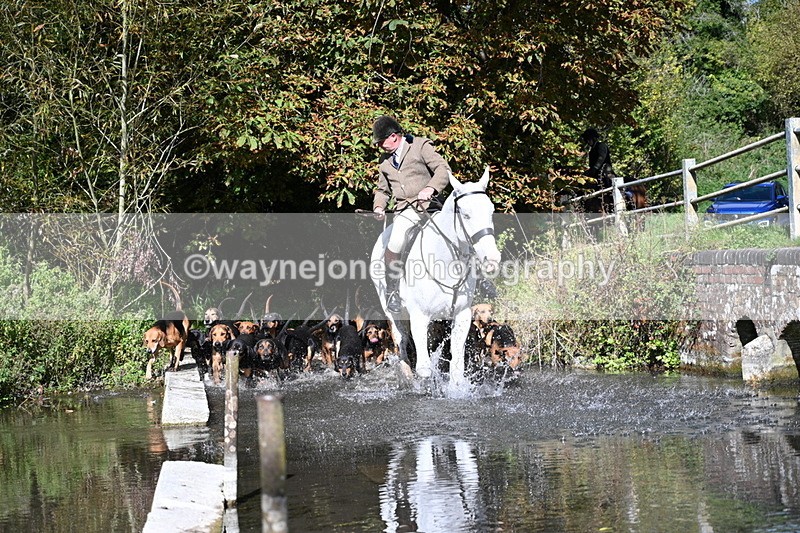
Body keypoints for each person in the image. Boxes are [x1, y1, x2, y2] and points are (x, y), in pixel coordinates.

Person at [371, 115, 451, 313]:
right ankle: (393, 291)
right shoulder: (384, 163)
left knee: (463, 227)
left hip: (431, 204)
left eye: (381, 141)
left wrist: (430, 188)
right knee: (396, 239)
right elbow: (382, 190)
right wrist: (379, 206)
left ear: (394, 136)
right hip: (406, 209)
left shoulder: (420, 146)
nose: (380, 145)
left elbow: (443, 169)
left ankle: (482, 280)